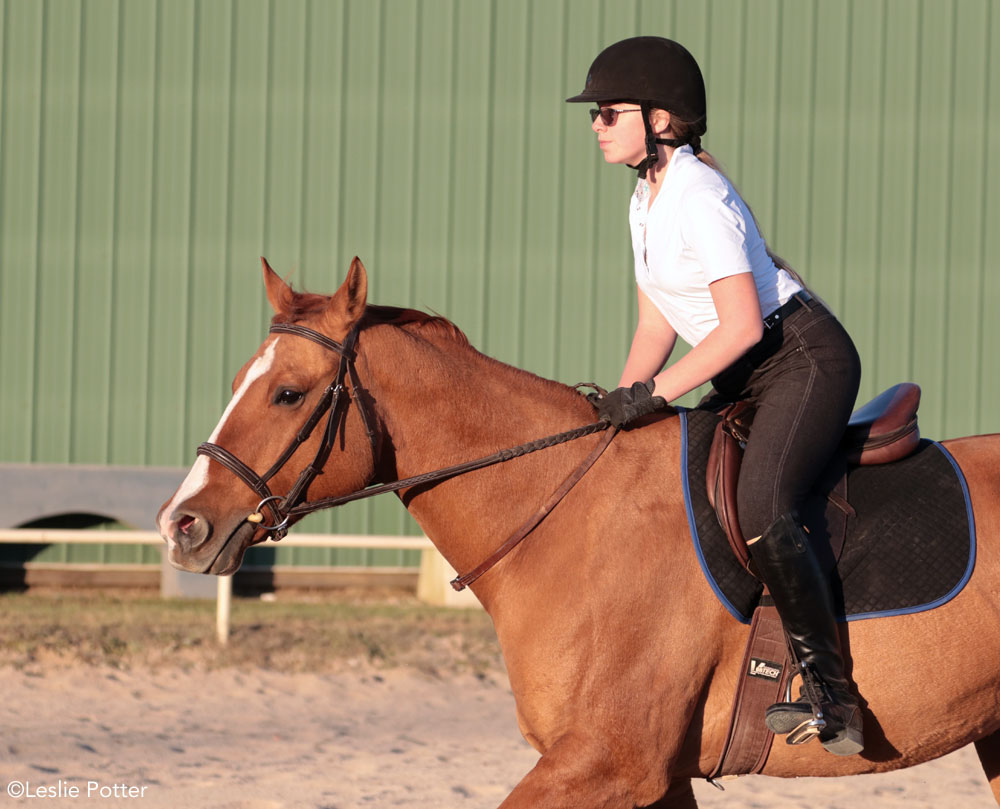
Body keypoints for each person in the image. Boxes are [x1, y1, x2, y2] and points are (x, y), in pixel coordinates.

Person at [566, 36, 864, 756]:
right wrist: (623, 404)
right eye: (595, 114)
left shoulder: (698, 195)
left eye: (609, 112)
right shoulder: (646, 197)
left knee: (763, 505)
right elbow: (654, 322)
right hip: (740, 373)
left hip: (801, 361)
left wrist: (658, 394)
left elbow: (736, 327)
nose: (596, 124)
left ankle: (834, 694)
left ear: (662, 120)